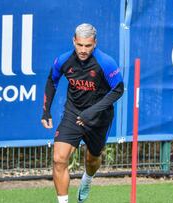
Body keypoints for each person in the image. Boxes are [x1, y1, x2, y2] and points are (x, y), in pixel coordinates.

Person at [41, 23, 124, 203]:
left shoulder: (106, 62)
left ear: (95, 43)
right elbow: (52, 80)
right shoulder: (64, 60)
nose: (83, 50)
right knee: (58, 159)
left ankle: (87, 180)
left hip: (98, 117)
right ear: (73, 41)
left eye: (87, 45)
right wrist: (46, 111)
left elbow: (118, 89)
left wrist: (91, 112)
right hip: (73, 113)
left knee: (92, 160)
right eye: (79, 45)